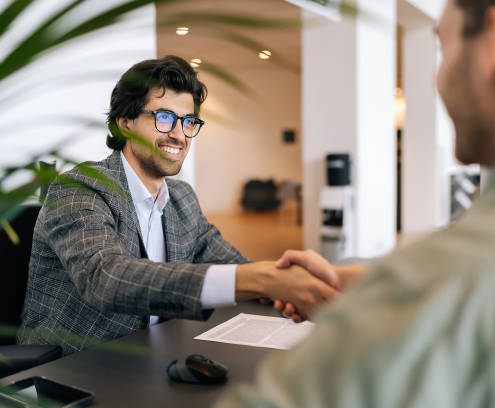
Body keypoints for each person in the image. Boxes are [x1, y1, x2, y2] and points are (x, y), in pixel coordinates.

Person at [215, 0, 495, 406]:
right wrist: (352, 282)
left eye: (443, 46)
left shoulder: (454, 278)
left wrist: (394, 295)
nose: (438, 78)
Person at [17, 56, 336, 355]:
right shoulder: (80, 189)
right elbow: (106, 278)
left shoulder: (181, 198)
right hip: (68, 371)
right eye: (164, 117)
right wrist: (260, 279)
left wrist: (291, 283)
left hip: (153, 360)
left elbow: (231, 262)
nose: (179, 135)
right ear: (125, 122)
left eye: (188, 122)